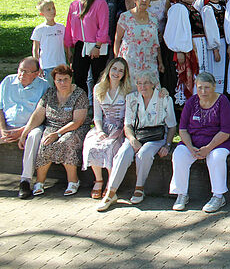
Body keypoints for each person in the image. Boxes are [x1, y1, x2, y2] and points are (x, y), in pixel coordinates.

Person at [96, 72, 176, 211]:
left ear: (153, 84)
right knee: (123, 154)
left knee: (144, 154)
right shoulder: (131, 98)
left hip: (156, 137)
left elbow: (172, 125)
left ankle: (139, 187)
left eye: (146, 83)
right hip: (136, 134)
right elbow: (127, 124)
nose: (142, 86)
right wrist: (132, 140)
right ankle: (111, 192)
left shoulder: (164, 98)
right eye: (139, 83)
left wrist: (167, 145)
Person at [18, 65, 90, 197]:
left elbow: (77, 121)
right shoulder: (49, 94)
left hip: (74, 128)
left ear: (71, 79)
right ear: (54, 81)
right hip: (52, 127)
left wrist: (57, 134)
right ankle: (40, 181)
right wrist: (25, 133)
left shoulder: (79, 94)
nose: (62, 83)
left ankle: (73, 180)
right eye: (59, 80)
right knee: (45, 143)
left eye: (65, 79)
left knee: (65, 141)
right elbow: (38, 115)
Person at [170, 73, 230, 213]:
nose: (203, 91)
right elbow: (182, 129)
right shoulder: (191, 102)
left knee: (216, 157)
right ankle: (181, 194)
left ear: (214, 87)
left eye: (207, 88)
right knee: (179, 154)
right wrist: (190, 147)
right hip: (193, 142)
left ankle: (218, 196)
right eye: (200, 88)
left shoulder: (222, 102)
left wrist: (208, 148)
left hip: (219, 142)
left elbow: (226, 131)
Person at [83, 58, 131, 199]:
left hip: (120, 127)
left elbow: (128, 116)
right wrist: (99, 130)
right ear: (109, 70)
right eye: (114, 69)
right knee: (92, 144)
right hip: (103, 125)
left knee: (110, 147)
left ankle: (111, 183)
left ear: (124, 74)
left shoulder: (127, 90)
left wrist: (121, 131)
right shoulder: (98, 88)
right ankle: (98, 180)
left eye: (121, 70)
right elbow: (97, 116)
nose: (117, 73)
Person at [1, 58, 49, 199]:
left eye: (27, 72)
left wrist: (22, 131)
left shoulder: (44, 86)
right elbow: (0, 108)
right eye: (21, 70)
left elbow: (41, 115)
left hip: (31, 126)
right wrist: (3, 129)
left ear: (36, 73)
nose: (22, 74)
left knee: (34, 136)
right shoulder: (8, 81)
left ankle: (25, 181)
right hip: (6, 125)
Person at [64, 0, 110, 95]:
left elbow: (103, 26)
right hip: (80, 45)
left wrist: (98, 46)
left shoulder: (100, 3)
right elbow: (69, 27)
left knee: (98, 78)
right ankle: (82, 107)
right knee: (79, 77)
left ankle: (98, 107)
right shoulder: (74, 5)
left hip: (97, 46)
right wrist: (68, 48)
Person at [164, 0, 204, 105]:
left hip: (195, 47)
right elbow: (175, 31)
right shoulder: (179, 8)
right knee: (185, 76)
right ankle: (184, 105)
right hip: (186, 49)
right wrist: (179, 50)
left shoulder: (191, 7)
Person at [114, 0, 162, 77]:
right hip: (129, 60)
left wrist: (160, 62)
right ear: (135, 0)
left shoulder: (154, 18)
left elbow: (156, 43)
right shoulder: (125, 17)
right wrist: (117, 61)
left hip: (149, 61)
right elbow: (117, 40)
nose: (144, 0)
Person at [199, 0, 227, 92]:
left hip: (223, 41)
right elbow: (210, 30)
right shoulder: (207, 9)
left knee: (222, 70)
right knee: (215, 69)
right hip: (214, 44)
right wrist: (215, 49)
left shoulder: (223, 7)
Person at [30, 0, 66, 83]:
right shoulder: (39, 29)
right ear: (42, 13)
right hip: (47, 65)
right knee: (48, 89)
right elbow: (35, 49)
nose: (52, 11)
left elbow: (65, 45)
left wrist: (68, 60)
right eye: (48, 9)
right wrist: (38, 66)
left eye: (53, 8)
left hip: (61, 64)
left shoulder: (61, 27)